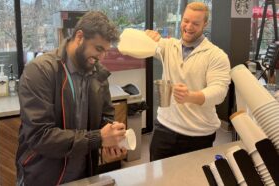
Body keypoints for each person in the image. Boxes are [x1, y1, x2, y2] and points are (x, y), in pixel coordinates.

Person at [16, 11, 127, 185]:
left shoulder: (98, 73)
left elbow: (105, 116)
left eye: (106, 51)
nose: (102, 57)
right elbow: (40, 136)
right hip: (42, 177)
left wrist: (110, 141)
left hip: (84, 175)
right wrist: (98, 138)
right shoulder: (40, 71)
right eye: (98, 49)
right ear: (79, 36)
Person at [146, 2, 231, 161]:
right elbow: (137, 46)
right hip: (164, 128)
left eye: (195, 23)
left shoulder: (216, 55)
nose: (188, 26)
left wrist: (190, 96)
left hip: (198, 134)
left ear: (205, 24)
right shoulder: (169, 46)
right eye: (186, 20)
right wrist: (147, 37)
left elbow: (219, 92)